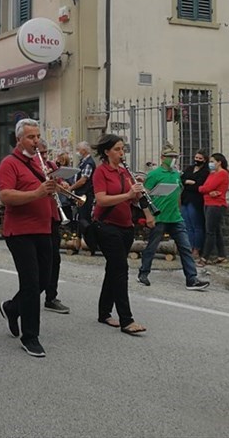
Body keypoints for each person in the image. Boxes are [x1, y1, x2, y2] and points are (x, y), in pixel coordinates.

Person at [0, 118, 59, 358]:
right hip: (20, 231)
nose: (36, 141)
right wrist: (37, 192)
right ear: (19, 139)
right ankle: (30, 336)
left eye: (37, 137)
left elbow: (45, 190)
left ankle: (12, 308)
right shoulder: (9, 164)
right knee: (31, 283)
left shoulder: (40, 162)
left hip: (43, 227)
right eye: (31, 137)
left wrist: (55, 186)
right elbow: (6, 195)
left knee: (44, 280)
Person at [92, 134, 148, 335]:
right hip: (107, 226)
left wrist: (138, 193)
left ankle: (104, 312)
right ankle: (127, 320)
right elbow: (102, 200)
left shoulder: (125, 172)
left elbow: (131, 201)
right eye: (117, 149)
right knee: (121, 270)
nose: (121, 153)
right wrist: (128, 195)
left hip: (126, 226)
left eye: (122, 149)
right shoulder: (101, 172)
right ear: (107, 152)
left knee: (113, 269)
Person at [137, 145, 210, 291]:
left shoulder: (176, 175)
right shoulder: (154, 174)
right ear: (163, 158)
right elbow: (144, 195)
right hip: (160, 217)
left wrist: (179, 210)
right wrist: (148, 215)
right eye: (170, 156)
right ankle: (144, 273)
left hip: (175, 217)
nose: (173, 159)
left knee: (185, 247)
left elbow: (178, 194)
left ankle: (192, 279)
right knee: (152, 246)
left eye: (175, 157)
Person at [38, 140, 70, 315]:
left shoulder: (50, 165)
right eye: (41, 153)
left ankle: (51, 297)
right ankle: (32, 295)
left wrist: (63, 186)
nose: (44, 156)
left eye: (45, 152)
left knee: (55, 258)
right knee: (41, 260)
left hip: (53, 215)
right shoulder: (33, 167)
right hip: (38, 217)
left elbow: (58, 184)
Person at [198, 152, 229, 266]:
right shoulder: (212, 174)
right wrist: (206, 190)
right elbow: (204, 187)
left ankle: (204, 258)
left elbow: (207, 188)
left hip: (216, 205)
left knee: (210, 232)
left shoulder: (222, 174)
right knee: (216, 231)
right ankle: (222, 255)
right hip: (208, 203)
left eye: (212, 161)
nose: (210, 164)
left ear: (219, 162)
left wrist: (205, 190)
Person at [69, 141, 97, 255]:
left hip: (85, 194)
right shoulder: (83, 162)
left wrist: (71, 188)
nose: (77, 151)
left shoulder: (88, 163)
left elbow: (83, 180)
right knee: (80, 219)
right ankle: (78, 243)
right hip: (80, 194)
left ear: (84, 150)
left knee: (85, 220)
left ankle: (90, 244)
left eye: (78, 149)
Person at [181, 149, 210, 258]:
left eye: (200, 158)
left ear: (204, 160)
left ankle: (196, 248)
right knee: (187, 225)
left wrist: (189, 183)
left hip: (196, 200)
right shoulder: (190, 168)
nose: (197, 160)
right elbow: (181, 179)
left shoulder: (206, 171)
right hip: (185, 199)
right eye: (196, 158)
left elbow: (200, 186)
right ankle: (189, 246)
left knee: (196, 225)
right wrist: (188, 182)